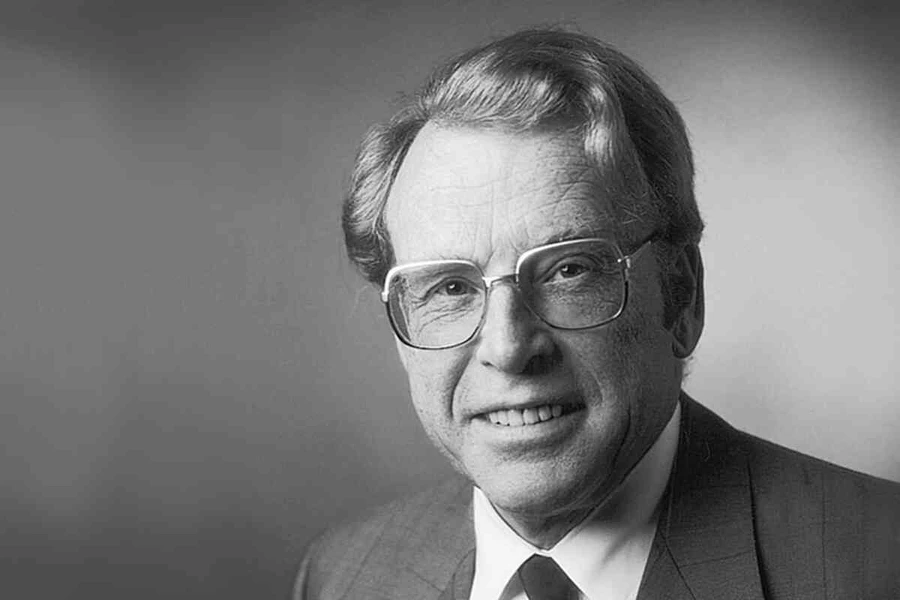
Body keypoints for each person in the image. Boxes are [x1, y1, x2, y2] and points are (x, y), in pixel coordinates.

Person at [294, 28, 900, 600]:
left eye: (569, 271)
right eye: (450, 288)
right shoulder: (343, 576)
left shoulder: (878, 563)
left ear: (681, 295)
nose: (507, 347)